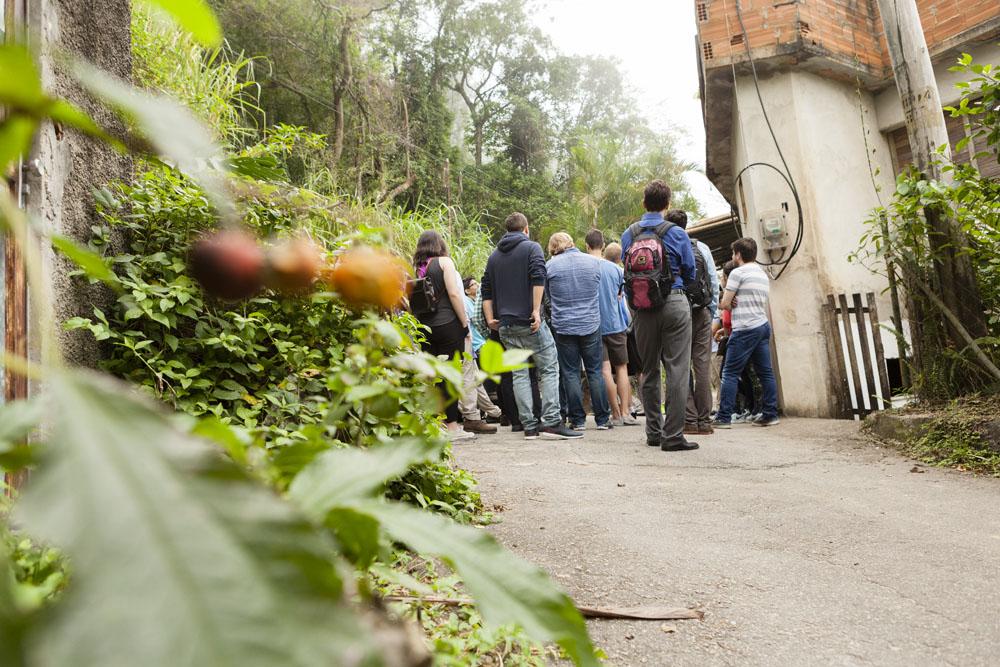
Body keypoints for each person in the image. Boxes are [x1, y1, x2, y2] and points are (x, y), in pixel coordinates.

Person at [481, 213, 582, 440]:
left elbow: (485, 289)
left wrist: (489, 319)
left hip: (505, 325)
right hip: (529, 322)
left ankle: (529, 426)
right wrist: (536, 310)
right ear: (525, 229)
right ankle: (552, 421)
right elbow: (538, 277)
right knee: (548, 367)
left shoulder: (494, 257)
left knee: (519, 373)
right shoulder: (532, 248)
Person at [620, 180, 698, 452]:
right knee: (677, 368)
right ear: (667, 205)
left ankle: (653, 432)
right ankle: (673, 435)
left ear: (644, 204)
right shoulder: (677, 233)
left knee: (649, 369)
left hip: (642, 307)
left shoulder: (629, 234)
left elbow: (627, 271)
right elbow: (690, 272)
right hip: (674, 302)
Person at [410, 230, 475, 441]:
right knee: (450, 374)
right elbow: (455, 293)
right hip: (448, 326)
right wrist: (464, 324)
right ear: (440, 244)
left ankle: (435, 424)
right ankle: (453, 427)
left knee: (432, 376)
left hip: (425, 328)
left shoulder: (417, 268)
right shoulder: (445, 262)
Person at [546, 232, 612, 431]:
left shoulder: (549, 267)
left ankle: (578, 420)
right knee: (595, 371)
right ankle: (602, 419)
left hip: (564, 326)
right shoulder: (593, 263)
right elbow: (596, 289)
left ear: (553, 248)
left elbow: (547, 298)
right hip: (590, 323)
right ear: (572, 243)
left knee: (570, 373)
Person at [713, 238, 780, 428]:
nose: (733, 257)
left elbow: (725, 304)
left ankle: (724, 417)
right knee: (765, 373)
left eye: (734, 253)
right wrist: (735, 299)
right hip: (762, 325)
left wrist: (729, 300)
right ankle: (770, 414)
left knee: (730, 373)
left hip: (744, 328)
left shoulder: (737, 273)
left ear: (739, 255)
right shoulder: (761, 273)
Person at [664, 209, 719, 436]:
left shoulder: (666, 246)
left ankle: (689, 420)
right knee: (702, 365)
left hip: (678, 309)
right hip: (702, 311)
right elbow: (713, 282)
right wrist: (710, 309)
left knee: (680, 365)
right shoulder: (701, 247)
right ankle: (705, 422)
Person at [586, 229, 636, 427]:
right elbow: (620, 295)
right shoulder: (616, 269)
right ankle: (625, 412)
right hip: (616, 324)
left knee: (604, 370)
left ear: (587, 245)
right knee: (622, 368)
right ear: (603, 245)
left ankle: (614, 412)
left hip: (594, 325)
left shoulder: (585, 266)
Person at [458, 277, 502, 432]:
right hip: (475, 343)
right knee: (477, 380)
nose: (476, 285)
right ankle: (488, 414)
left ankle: (494, 412)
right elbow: (474, 321)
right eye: (473, 284)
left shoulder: (472, 300)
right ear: (466, 289)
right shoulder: (466, 302)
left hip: (474, 343)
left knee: (477, 380)